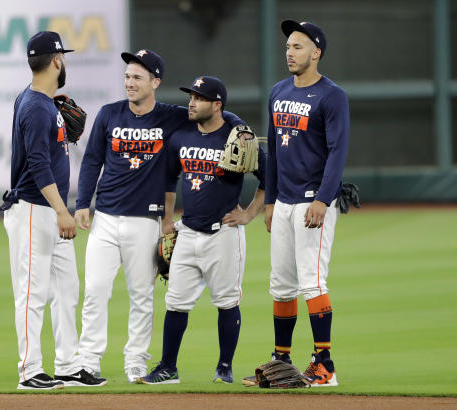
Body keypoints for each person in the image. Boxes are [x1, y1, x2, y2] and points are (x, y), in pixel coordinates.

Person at [75, 50, 246, 383]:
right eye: (126, 76)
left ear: (155, 82)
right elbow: (92, 160)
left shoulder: (173, 117)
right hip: (106, 218)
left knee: (142, 294)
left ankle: (136, 361)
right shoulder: (110, 114)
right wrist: (83, 201)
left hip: (145, 220)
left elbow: (217, 113)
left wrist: (241, 128)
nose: (129, 83)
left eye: (137, 77)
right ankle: (88, 360)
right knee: (95, 289)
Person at [137, 76, 266, 385]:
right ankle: (168, 367)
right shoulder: (181, 136)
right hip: (188, 231)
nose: (191, 102)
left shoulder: (237, 137)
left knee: (226, 301)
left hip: (224, 233)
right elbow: (169, 179)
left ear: (217, 104)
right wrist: (168, 221)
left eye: (199, 98)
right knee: (175, 303)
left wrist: (249, 214)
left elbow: (268, 177)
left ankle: (224, 366)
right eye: (191, 96)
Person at [0, 31, 106, 390]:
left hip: (49, 210)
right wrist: (63, 210)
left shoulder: (43, 103)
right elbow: (39, 165)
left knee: (66, 289)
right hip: (34, 209)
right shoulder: (35, 106)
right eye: (65, 57)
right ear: (57, 60)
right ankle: (29, 371)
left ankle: (68, 364)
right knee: (32, 293)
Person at [263, 20, 349, 387]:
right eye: (287, 46)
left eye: (297, 46)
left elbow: (337, 151)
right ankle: (281, 361)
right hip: (283, 203)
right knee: (281, 285)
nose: (289, 52)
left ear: (316, 52)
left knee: (312, 282)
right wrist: (269, 202)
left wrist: (324, 199)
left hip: (313, 202)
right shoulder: (278, 91)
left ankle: (324, 364)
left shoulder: (332, 95)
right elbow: (272, 152)